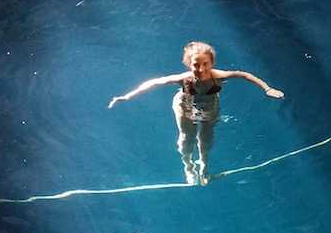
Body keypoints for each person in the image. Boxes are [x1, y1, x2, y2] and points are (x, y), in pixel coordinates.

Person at [108, 41, 284, 184]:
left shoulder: (218, 75)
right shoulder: (183, 79)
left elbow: (244, 75)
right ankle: (188, 167)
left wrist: (267, 89)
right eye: (195, 65)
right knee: (187, 138)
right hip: (185, 107)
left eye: (205, 64)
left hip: (209, 108)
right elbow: (155, 82)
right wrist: (127, 96)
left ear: (211, 63)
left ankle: (204, 167)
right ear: (188, 64)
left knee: (206, 141)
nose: (200, 69)